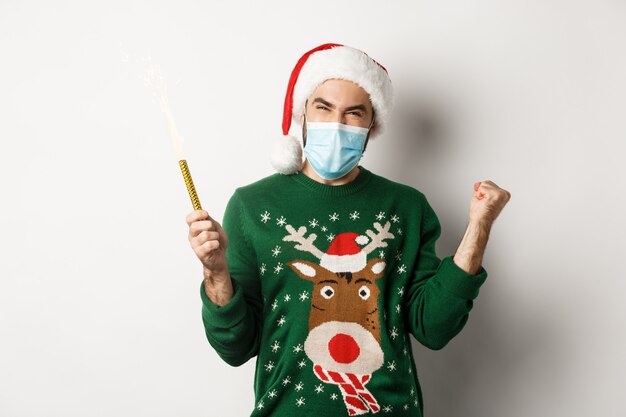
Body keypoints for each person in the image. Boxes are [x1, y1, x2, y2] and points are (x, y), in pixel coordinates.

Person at [186, 43, 510, 416]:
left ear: (372, 124)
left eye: (353, 113)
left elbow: (433, 328)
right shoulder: (252, 206)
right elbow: (236, 348)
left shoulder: (407, 207)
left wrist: (479, 227)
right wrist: (215, 270)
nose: (337, 125)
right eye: (323, 108)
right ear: (302, 114)